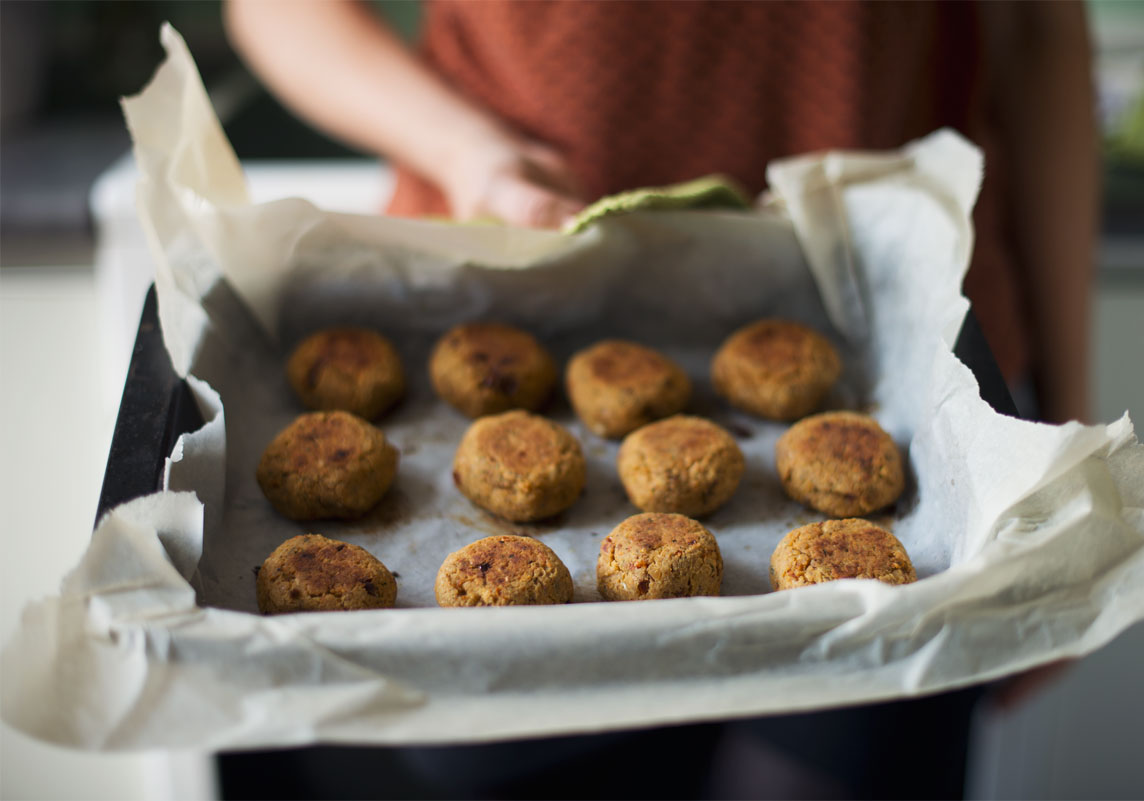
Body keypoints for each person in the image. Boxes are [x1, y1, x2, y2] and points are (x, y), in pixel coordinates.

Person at [222, 2, 1096, 796]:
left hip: (910, 347)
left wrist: (1066, 423)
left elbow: (1037, 26)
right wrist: (466, 152)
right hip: (486, 282)